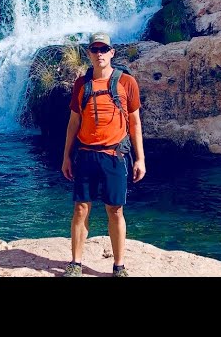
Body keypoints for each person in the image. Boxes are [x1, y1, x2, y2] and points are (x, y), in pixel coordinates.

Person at [61, 31, 146, 277]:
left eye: (103, 49)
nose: (99, 54)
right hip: (86, 155)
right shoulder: (81, 84)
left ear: (112, 52)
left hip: (115, 155)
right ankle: (75, 264)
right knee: (80, 208)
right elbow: (73, 122)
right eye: (94, 50)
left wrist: (140, 158)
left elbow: (135, 123)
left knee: (115, 209)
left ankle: (119, 266)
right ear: (88, 53)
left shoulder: (127, 82)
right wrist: (66, 156)